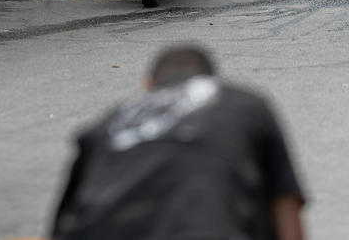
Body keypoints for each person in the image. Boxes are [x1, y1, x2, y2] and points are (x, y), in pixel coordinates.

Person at [51, 46, 306, 240]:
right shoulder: (244, 104)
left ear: (148, 85)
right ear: (210, 79)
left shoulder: (107, 124)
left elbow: (65, 220)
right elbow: (285, 200)